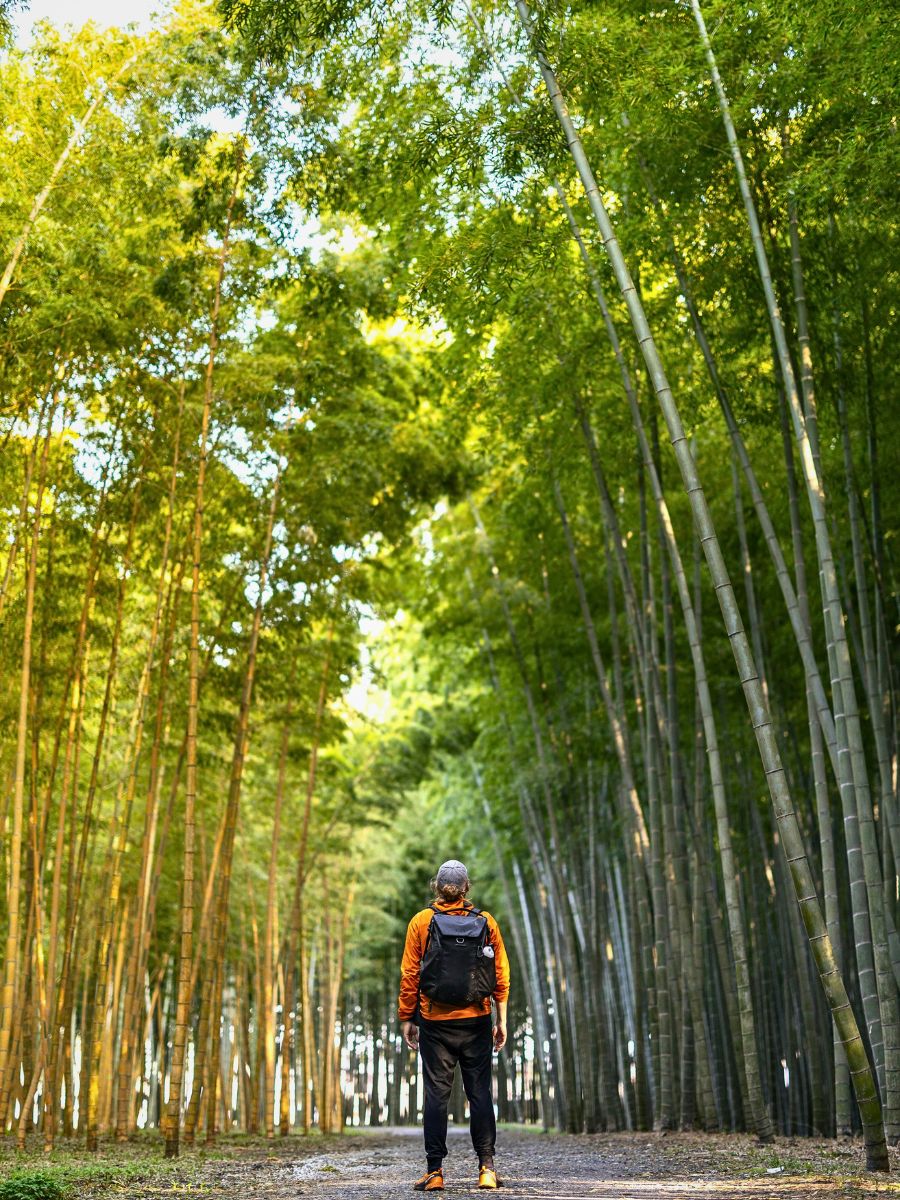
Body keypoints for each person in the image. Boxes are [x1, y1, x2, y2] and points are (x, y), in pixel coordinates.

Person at [398, 859, 510, 1192]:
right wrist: (500, 1019)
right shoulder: (486, 921)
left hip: (434, 1020)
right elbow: (500, 975)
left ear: (436, 886)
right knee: (480, 1095)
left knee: (436, 1097)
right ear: (466, 888)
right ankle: (486, 1169)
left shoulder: (421, 921)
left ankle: (435, 1172)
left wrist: (407, 1017)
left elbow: (410, 975)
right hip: (476, 1019)